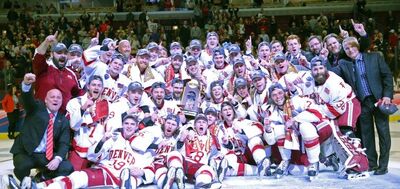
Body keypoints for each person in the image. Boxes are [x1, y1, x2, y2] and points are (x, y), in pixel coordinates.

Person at [19, 115, 155, 189]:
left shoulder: (144, 149)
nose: (129, 126)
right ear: (122, 125)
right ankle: (37, 186)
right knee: (73, 177)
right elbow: (92, 155)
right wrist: (102, 140)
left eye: (132, 124)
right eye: (126, 124)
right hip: (103, 171)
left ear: (137, 128)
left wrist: (142, 173)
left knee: (78, 178)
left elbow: (150, 171)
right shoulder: (114, 139)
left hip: (117, 178)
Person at [333, 36, 394, 175]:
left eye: (352, 46)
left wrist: (387, 95)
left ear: (358, 46)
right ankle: (372, 163)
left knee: (383, 133)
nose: (350, 50)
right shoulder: (344, 63)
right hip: (362, 103)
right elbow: (331, 73)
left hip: (379, 100)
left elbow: (387, 76)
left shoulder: (374, 57)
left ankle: (383, 165)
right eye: (346, 48)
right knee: (367, 135)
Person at [10, 73, 73, 181]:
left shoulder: (63, 120)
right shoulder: (36, 108)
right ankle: (23, 182)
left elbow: (64, 143)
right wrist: (26, 84)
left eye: (58, 97)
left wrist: (57, 159)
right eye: (52, 97)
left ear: (62, 101)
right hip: (26, 152)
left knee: (67, 168)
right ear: (46, 100)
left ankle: (41, 177)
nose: (55, 99)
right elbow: (27, 99)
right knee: (22, 166)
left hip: (46, 156)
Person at [32, 32, 82, 112]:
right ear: (52, 54)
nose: (63, 55)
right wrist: (46, 42)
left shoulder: (71, 74)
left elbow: (78, 93)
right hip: (42, 119)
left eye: (65, 53)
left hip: (62, 121)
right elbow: (38, 55)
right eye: (59, 52)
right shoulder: (43, 68)